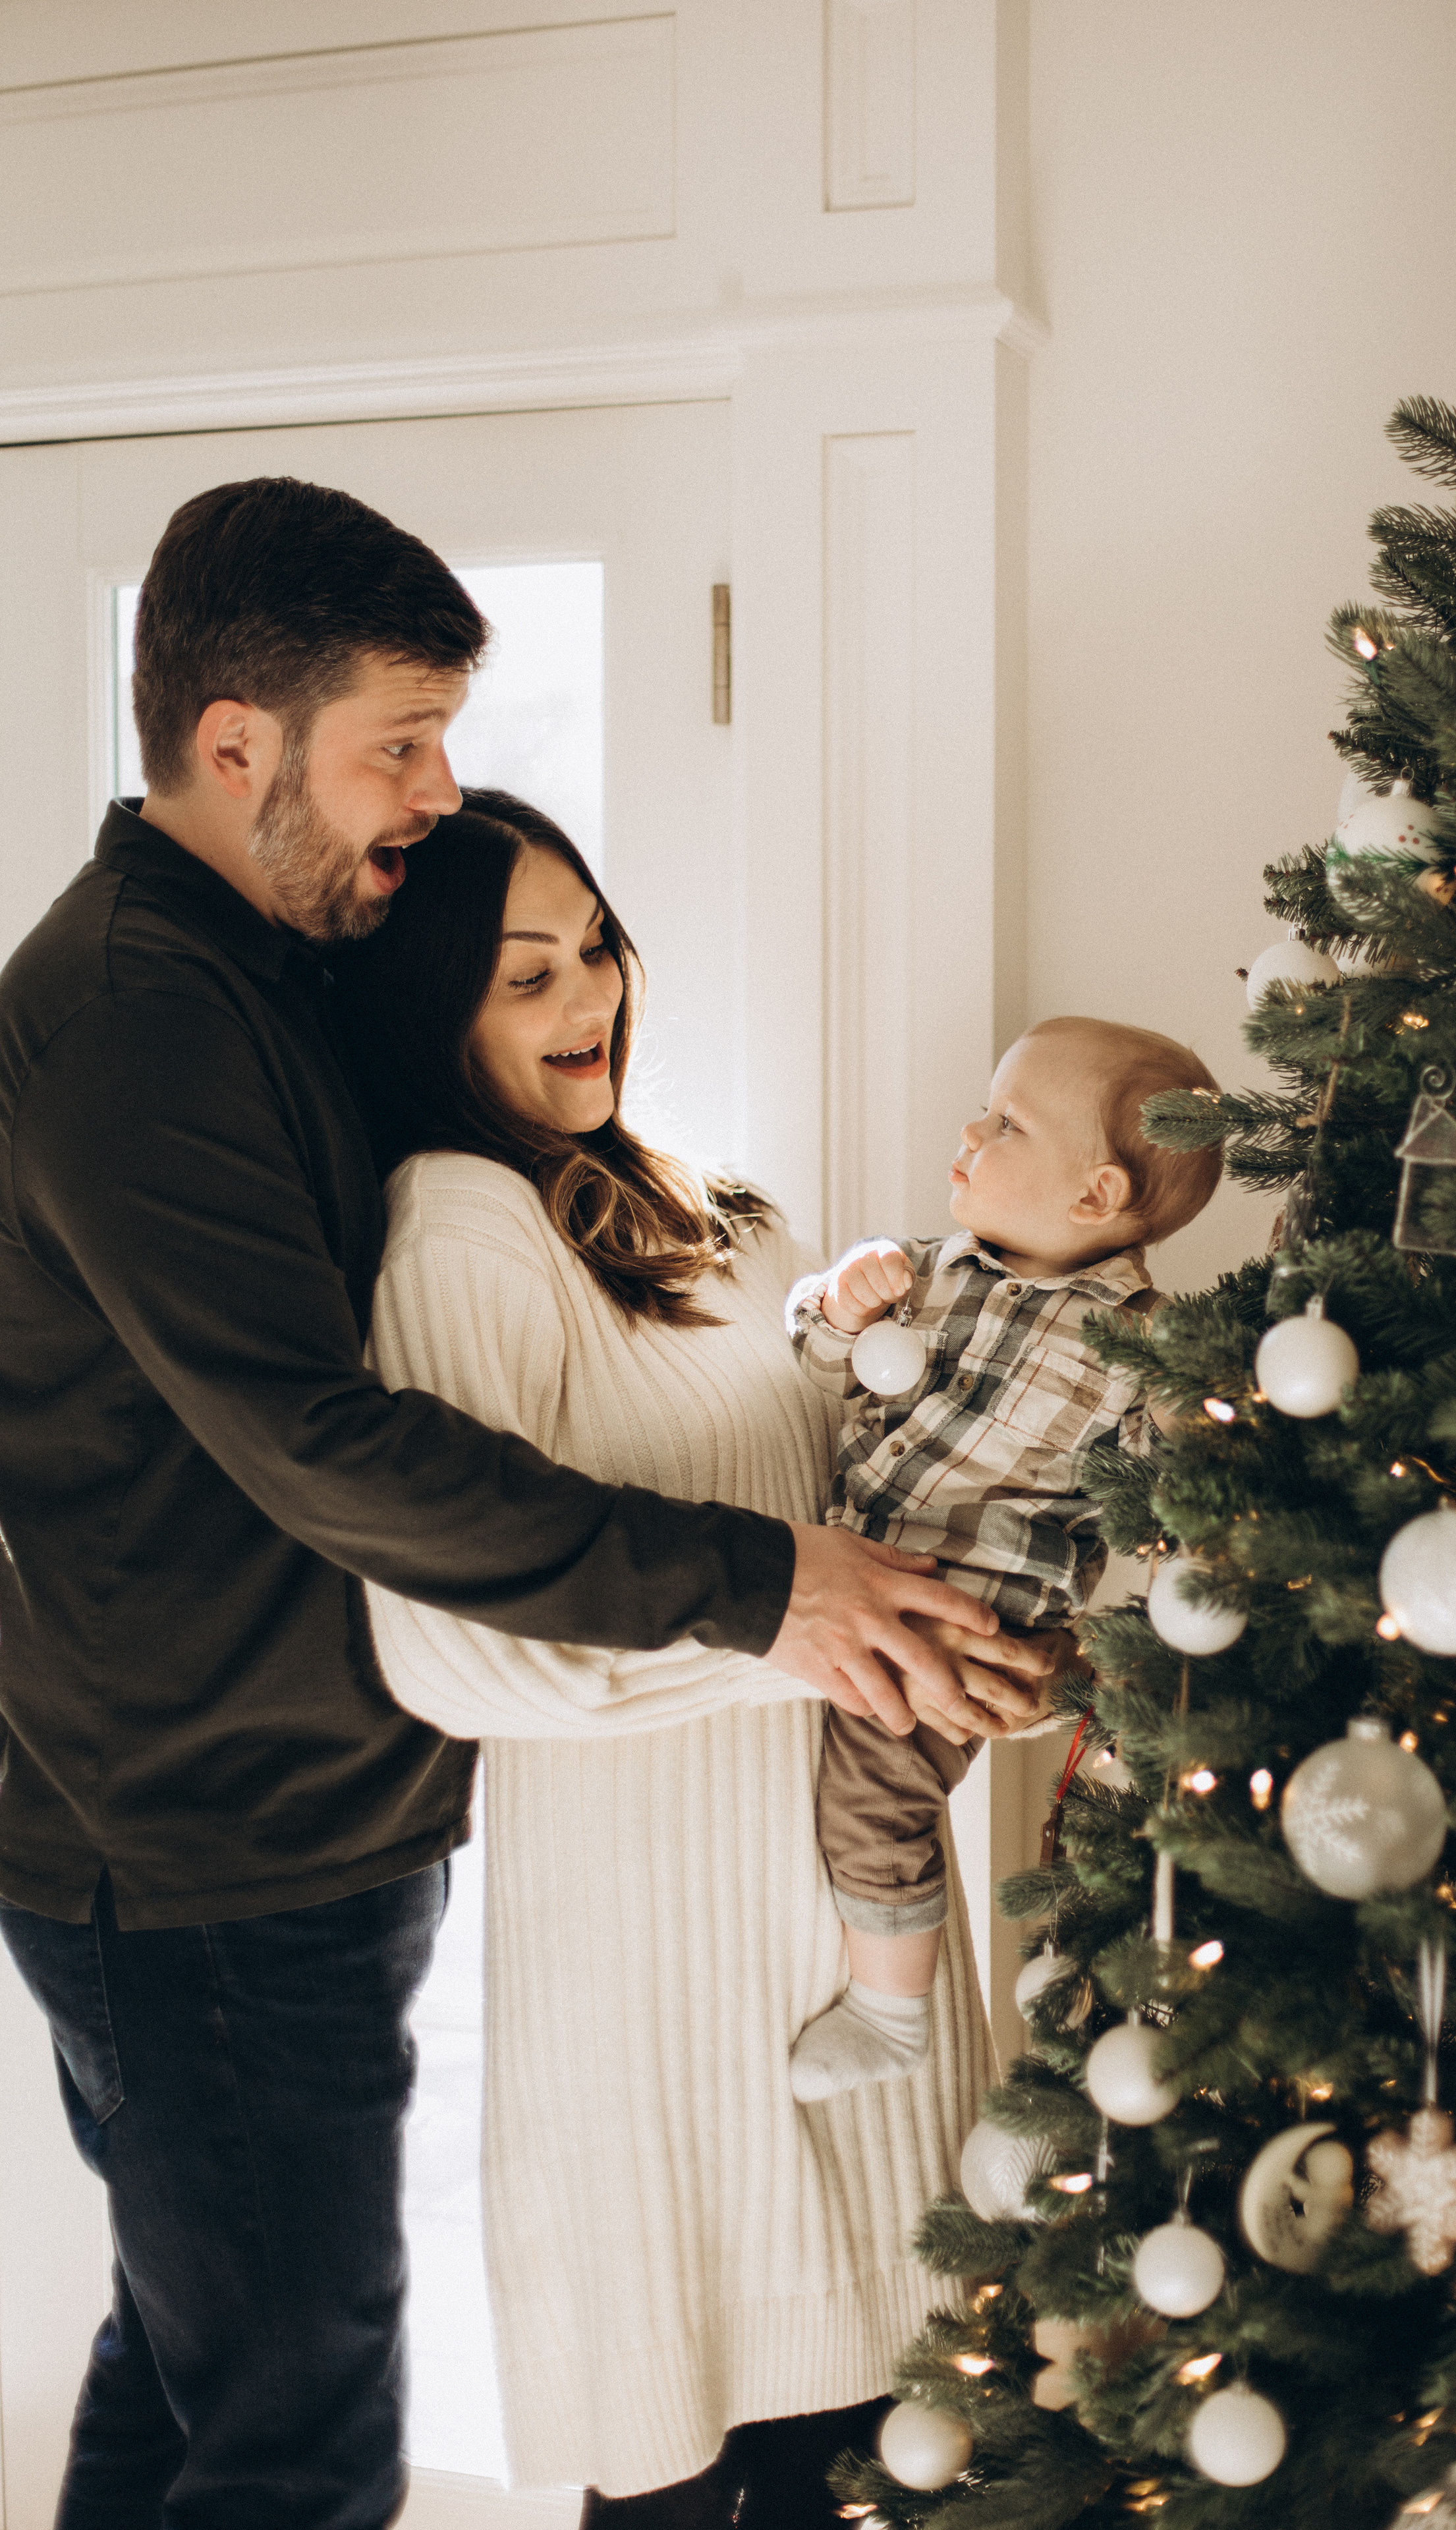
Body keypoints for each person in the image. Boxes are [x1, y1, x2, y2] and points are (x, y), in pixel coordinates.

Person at [0, 476, 1007, 2530]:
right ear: (232, 745)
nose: (434, 795)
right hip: (198, 1838)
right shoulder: (134, 1013)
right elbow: (320, 1439)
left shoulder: (260, 964)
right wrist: (768, 1591)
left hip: (268, 1813)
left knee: (205, 2378)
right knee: (296, 2422)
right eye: (400, 745)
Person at [332, 789, 1055, 2529]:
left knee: (911, 2455)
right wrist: (801, 1636)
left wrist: (972, 1613)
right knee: (713, 2484)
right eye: (525, 977)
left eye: (594, 947)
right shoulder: (458, 1227)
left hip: (859, 1946)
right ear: (434, 1011)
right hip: (668, 2005)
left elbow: (845, 1510)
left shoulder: (716, 1216)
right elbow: (461, 1654)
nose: (589, 996)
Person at [783, 1019, 1224, 2101]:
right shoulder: (931, 1275)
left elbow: (1171, 1494)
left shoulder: (1141, 1346)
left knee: (877, 1787)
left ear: (1095, 1197)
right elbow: (817, 1352)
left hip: (970, 1615)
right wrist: (837, 1299)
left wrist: (1202, 1426)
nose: (970, 1135)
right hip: (866, 1557)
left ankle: (892, 2010)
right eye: (987, 1112)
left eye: (1007, 1123)